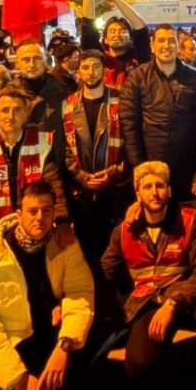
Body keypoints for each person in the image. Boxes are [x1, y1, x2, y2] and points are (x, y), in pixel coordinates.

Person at [101, 161, 196, 390]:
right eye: (147, 187)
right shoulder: (125, 229)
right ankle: (183, 363)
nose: (154, 192)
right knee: (137, 367)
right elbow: (106, 272)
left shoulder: (190, 220)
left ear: (169, 190)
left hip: (186, 299)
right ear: (137, 194)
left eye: (160, 185)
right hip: (148, 303)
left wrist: (172, 303)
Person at [0, 181, 95, 390]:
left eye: (47, 211)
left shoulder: (64, 244)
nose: (40, 218)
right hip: (11, 336)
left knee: (86, 338)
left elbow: (81, 293)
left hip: (46, 330)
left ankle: (57, 381)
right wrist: (18, 379)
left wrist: (64, 345)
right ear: (18, 214)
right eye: (32, 211)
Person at [118, 25, 196, 203]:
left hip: (187, 166)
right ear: (152, 45)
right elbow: (129, 124)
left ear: (179, 46)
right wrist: (140, 167)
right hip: (151, 164)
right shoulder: (137, 77)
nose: (166, 45)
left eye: (172, 40)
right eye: (161, 40)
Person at [0, 87, 68, 257]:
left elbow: (54, 184)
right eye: (5, 110)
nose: (10, 116)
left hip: (37, 230)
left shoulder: (43, 142)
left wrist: (62, 221)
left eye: (17, 110)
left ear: (25, 115)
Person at [62, 50, 129, 267]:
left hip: (114, 191)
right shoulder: (68, 105)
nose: (91, 72)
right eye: (86, 67)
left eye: (96, 66)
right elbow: (64, 147)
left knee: (112, 253)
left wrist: (114, 172)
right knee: (84, 254)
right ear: (78, 71)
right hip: (81, 193)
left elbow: (131, 143)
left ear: (104, 70)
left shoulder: (121, 101)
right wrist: (80, 176)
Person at [77, 0, 151, 90]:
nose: (117, 34)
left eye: (123, 30)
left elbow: (140, 26)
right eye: (112, 31)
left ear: (130, 36)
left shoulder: (138, 56)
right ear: (105, 38)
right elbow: (88, 24)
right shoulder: (99, 57)